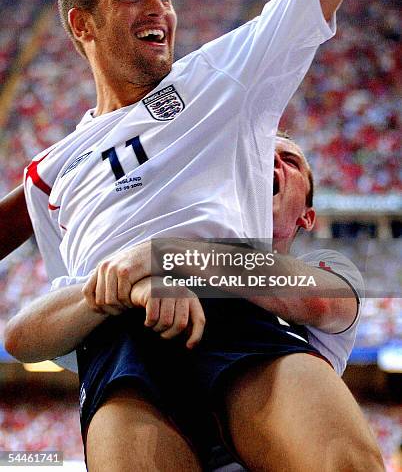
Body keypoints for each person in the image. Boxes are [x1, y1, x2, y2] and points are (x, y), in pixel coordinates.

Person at [2, 0, 399, 468]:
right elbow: (49, 316)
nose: (158, 7)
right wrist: (130, 285)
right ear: (82, 24)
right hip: (123, 343)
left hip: (239, 315)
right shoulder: (49, 172)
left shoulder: (224, 74)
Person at [6, 133, 382, 471]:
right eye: (261, 154)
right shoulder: (127, 260)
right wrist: (134, 286)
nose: (272, 163)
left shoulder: (327, 267)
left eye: (291, 161)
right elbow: (20, 336)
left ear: (307, 216)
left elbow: (315, 300)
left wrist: (165, 255)